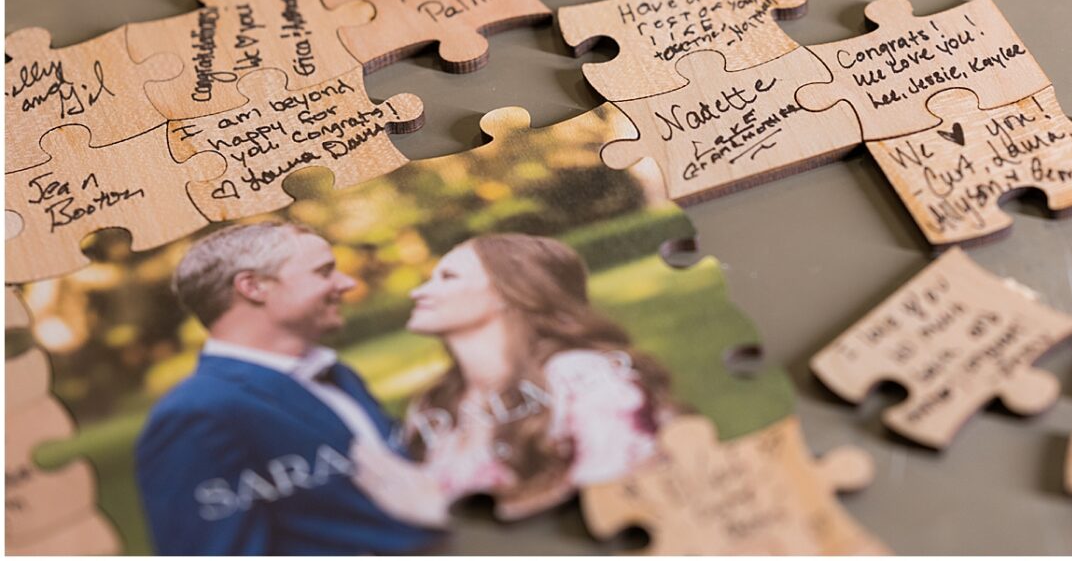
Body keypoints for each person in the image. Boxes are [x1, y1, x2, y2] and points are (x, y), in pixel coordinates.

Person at [134, 221, 443, 555]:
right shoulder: (195, 414)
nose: (347, 283)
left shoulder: (338, 375)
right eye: (324, 272)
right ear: (254, 286)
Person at [351, 233, 681, 525]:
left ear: (507, 293)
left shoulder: (581, 378)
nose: (418, 292)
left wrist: (443, 515)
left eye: (447, 277)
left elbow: (619, 504)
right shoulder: (434, 406)